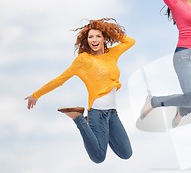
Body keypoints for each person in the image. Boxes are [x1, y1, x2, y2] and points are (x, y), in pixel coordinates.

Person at [25, 18, 134, 164]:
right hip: (97, 112)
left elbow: (130, 42)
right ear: (86, 40)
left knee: (126, 153)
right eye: (90, 37)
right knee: (98, 157)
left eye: (98, 36)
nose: (94, 40)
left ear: (104, 38)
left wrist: (108, 29)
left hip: (112, 113)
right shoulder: (83, 60)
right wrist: (36, 95)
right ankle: (78, 118)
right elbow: (61, 79)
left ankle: (94, 130)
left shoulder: (112, 54)